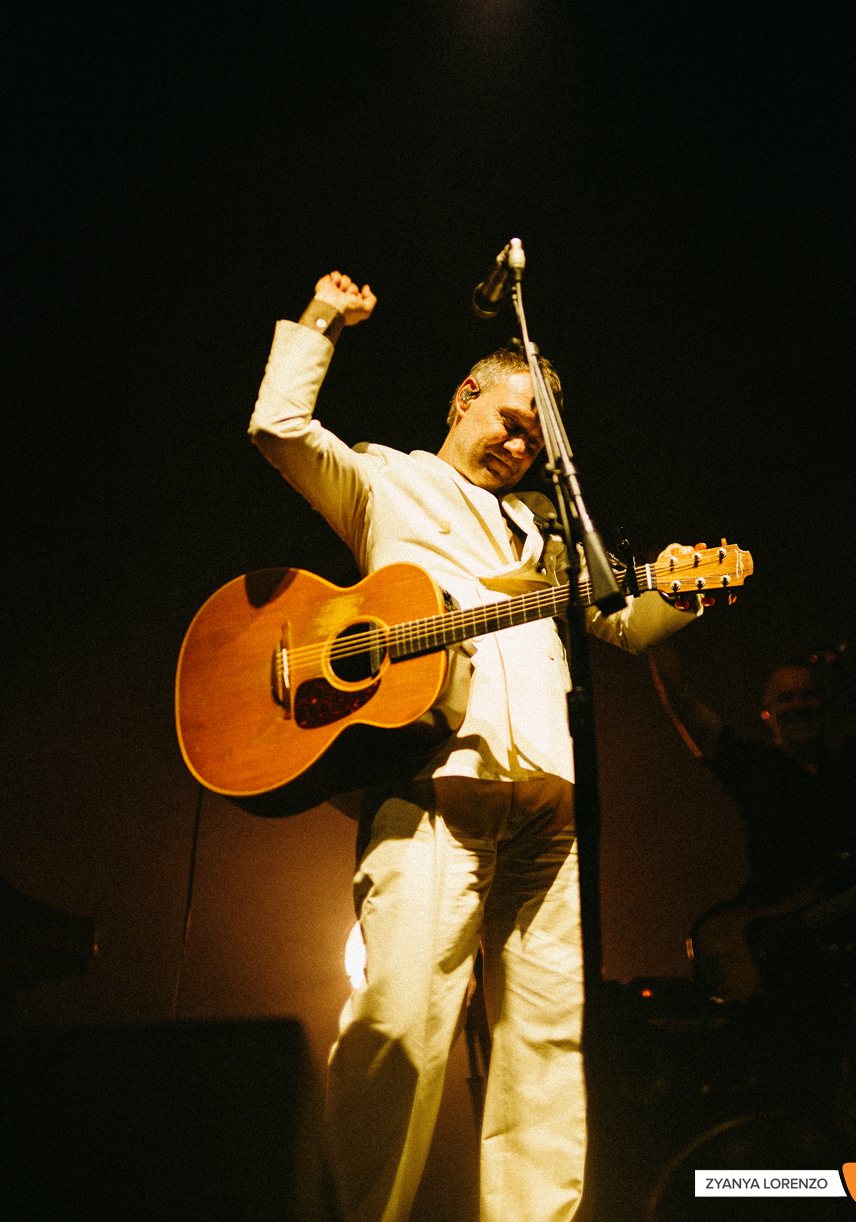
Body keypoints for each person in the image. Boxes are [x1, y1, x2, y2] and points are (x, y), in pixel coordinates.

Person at [248, 269, 703, 1222]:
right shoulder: (388, 479)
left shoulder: (546, 529)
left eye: (535, 437)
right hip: (433, 779)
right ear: (465, 395)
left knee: (544, 1045)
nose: (517, 443)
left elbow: (622, 625)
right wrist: (324, 319)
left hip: (548, 790)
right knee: (399, 1029)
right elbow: (279, 431)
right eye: (509, 419)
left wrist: (685, 590)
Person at [649, 641, 856, 1161]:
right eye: (787, 699)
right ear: (768, 714)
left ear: (823, 705)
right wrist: (656, 637)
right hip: (788, 964)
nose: (800, 705)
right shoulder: (752, 766)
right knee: (801, 1091)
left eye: (808, 695)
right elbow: (685, 706)